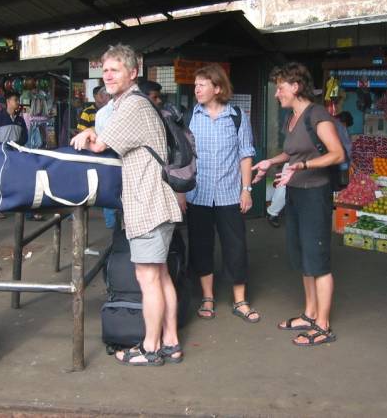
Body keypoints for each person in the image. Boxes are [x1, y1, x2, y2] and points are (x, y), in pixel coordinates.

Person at [71, 44, 183, 366]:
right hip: (157, 202)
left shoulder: (133, 105)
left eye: (115, 69)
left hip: (148, 205)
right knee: (160, 276)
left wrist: (89, 133)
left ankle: (150, 349)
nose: (108, 75)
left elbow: (100, 145)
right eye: (105, 69)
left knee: (148, 279)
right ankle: (171, 342)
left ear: (133, 73)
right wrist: (95, 128)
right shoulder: (130, 104)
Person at [252, 62, 344, 346]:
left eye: (280, 87)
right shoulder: (291, 117)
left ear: (295, 86)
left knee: (317, 258)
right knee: (303, 255)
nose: (277, 93)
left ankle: (323, 325)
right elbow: (291, 152)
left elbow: (336, 154)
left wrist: (302, 165)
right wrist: (272, 161)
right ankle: (309, 313)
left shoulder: (316, 115)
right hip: (295, 192)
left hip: (315, 193)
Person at [184, 64, 260, 323]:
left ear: (217, 88)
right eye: (195, 85)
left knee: (235, 247)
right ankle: (207, 297)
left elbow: (245, 153)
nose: (197, 89)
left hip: (229, 195)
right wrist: (180, 193)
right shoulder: (189, 117)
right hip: (198, 195)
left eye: (202, 85)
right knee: (201, 246)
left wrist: (246, 189)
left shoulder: (236, 116)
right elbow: (182, 158)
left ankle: (240, 300)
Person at [93, 85, 117, 230]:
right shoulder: (123, 111)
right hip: (120, 158)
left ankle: (112, 226)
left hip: (106, 160)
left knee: (109, 192)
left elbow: (99, 138)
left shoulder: (101, 113)